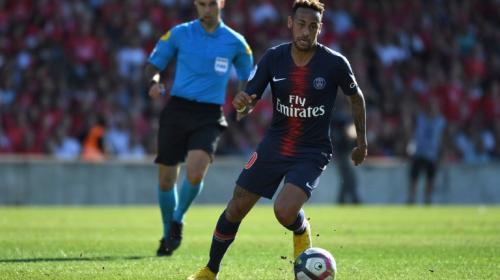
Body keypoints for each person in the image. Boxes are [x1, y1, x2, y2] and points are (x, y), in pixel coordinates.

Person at [188, 1, 367, 279]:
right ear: (289, 24)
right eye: (301, 24)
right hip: (276, 143)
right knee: (236, 206)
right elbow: (249, 101)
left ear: (320, 28)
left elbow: (356, 99)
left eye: (313, 26)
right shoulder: (274, 58)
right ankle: (210, 270)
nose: (306, 32)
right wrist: (242, 104)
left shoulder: (334, 63)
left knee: (284, 211)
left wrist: (362, 143)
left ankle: (300, 229)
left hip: (312, 150)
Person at [145, 0, 253, 257]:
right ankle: (167, 233)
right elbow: (154, 64)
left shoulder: (236, 42)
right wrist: (154, 82)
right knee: (166, 178)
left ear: (221, 4)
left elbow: (247, 78)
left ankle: (177, 219)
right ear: (196, 4)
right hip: (177, 109)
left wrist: (244, 101)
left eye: (212, 4)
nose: (207, 9)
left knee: (195, 173)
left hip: (209, 114)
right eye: (202, 4)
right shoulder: (180, 33)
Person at [407, 99, 446, 204]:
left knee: (430, 179)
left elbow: (441, 138)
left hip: (431, 154)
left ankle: (428, 199)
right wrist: (411, 146)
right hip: (419, 152)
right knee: (414, 178)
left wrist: (441, 152)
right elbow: (413, 132)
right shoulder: (420, 119)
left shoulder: (440, 121)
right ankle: (412, 199)